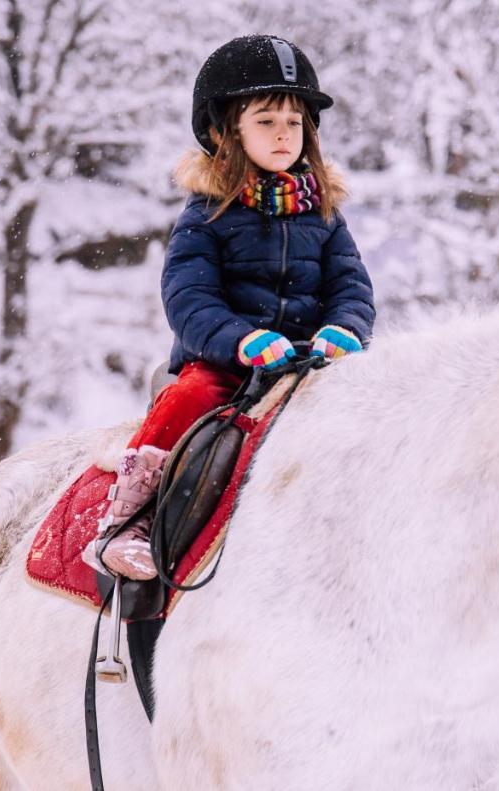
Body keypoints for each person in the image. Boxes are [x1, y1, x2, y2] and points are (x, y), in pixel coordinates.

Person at [83, 34, 375, 581]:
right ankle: (128, 520)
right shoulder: (207, 215)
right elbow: (188, 297)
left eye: (295, 122)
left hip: (313, 363)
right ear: (226, 131)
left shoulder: (326, 215)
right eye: (266, 121)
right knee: (188, 395)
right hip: (226, 363)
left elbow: (352, 287)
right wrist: (241, 339)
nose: (284, 133)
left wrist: (345, 328)